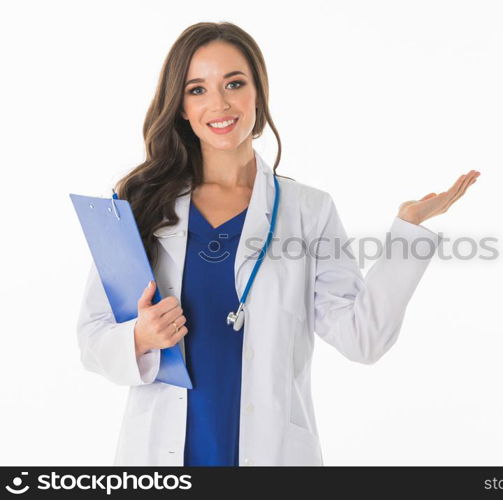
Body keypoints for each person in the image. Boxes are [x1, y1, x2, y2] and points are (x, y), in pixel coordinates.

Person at [76, 21, 480, 466]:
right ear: (181, 108)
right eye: (197, 90)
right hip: (163, 453)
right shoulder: (141, 202)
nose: (220, 104)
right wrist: (139, 336)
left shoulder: (309, 210)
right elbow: (93, 337)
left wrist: (408, 232)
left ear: (258, 93)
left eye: (234, 83)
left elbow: (362, 339)